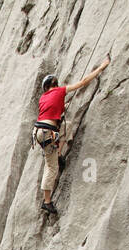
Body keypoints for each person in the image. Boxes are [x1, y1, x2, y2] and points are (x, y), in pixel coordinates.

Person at [33, 57, 111, 215]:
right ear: (54, 85)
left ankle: (59, 153)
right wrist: (102, 66)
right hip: (47, 132)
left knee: (66, 126)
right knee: (51, 167)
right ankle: (46, 202)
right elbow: (83, 82)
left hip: (42, 131)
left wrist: (64, 105)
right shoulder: (59, 91)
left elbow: (54, 109)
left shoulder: (43, 98)